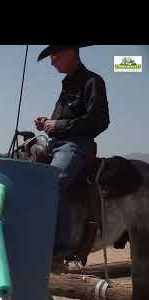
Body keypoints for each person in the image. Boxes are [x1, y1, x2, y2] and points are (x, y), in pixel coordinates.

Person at [35, 45, 110, 259]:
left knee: (52, 181)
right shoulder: (67, 84)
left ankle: (58, 248)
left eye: (55, 57)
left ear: (70, 53)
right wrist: (46, 124)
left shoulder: (92, 82)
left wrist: (57, 125)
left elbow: (99, 121)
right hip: (56, 144)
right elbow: (63, 120)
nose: (52, 62)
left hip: (77, 146)